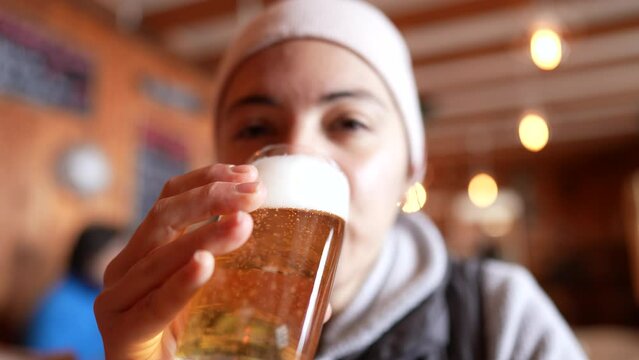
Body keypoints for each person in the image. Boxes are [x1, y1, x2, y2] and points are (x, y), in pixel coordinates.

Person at [94, 1, 587, 359]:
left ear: (410, 170)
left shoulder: (494, 313)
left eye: (349, 122)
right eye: (256, 128)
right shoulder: (184, 325)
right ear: (220, 160)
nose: (301, 152)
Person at [27, 225, 124, 360]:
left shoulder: (101, 295)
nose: (122, 265)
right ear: (89, 257)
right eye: (113, 256)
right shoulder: (64, 303)